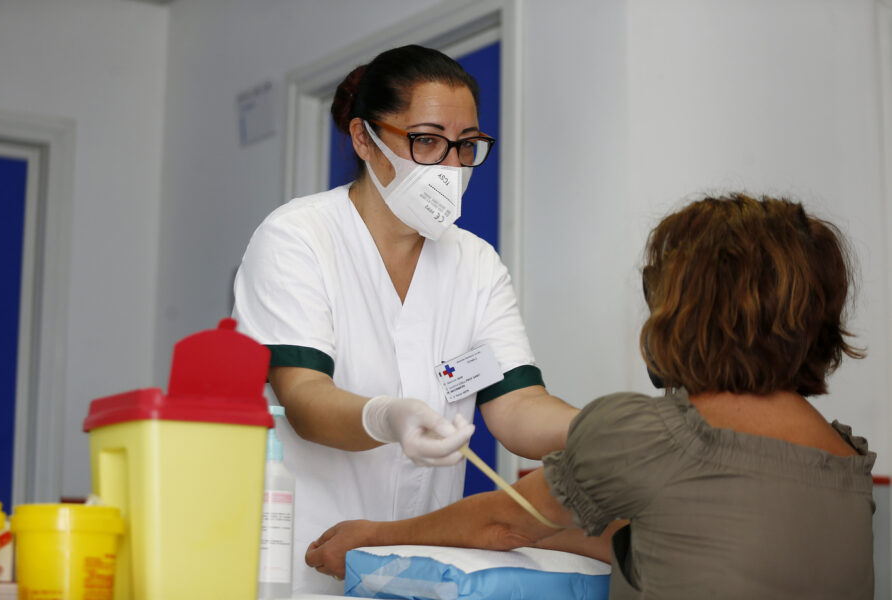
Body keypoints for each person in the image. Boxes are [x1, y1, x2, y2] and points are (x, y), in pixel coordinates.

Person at [305, 194, 877, 599]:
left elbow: (501, 527)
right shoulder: (846, 458)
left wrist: (372, 537)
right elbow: (674, 541)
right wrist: (575, 489)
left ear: (686, 311)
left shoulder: (648, 433)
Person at [232, 44, 579, 593]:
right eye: (427, 142)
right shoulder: (299, 238)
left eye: (466, 147)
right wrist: (386, 417)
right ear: (364, 139)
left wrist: (605, 431)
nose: (451, 166)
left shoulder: (475, 264)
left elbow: (516, 407)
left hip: (413, 570)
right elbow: (302, 396)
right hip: (299, 564)